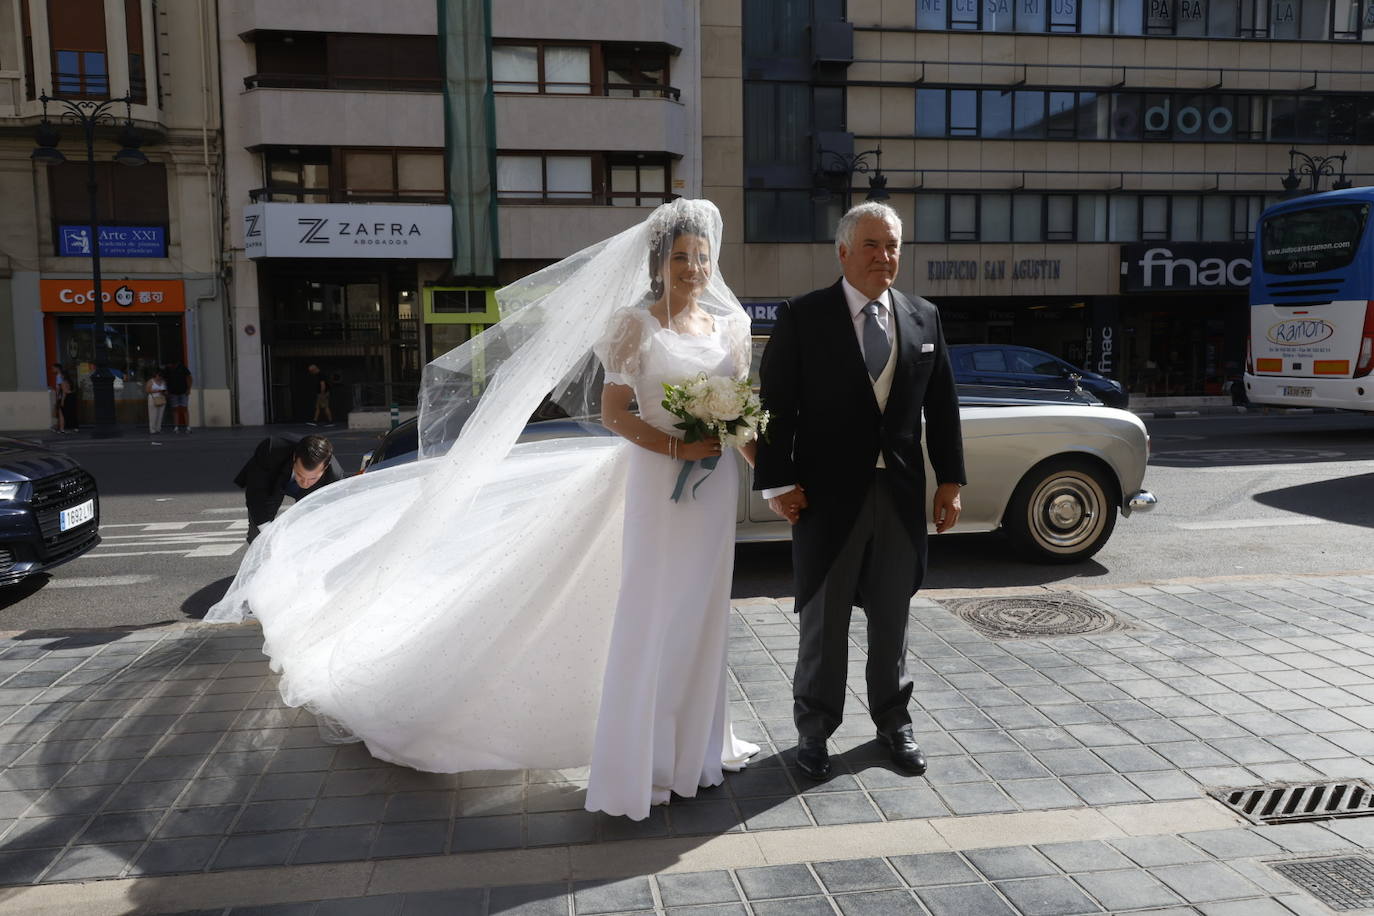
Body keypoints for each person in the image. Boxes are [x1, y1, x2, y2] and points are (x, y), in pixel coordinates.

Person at [206, 200, 758, 821]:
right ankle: (649, 760)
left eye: (703, 257)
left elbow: (740, 413)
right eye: (682, 257)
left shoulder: (728, 330)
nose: (694, 268)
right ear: (659, 263)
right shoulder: (635, 324)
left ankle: (698, 749)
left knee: (704, 614)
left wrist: (772, 475)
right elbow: (614, 414)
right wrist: (679, 445)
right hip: (657, 484)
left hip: (711, 495)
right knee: (653, 616)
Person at [753, 201, 966, 782]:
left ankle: (894, 722)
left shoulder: (924, 317)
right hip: (825, 499)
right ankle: (815, 731)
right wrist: (777, 481)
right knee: (824, 622)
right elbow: (775, 406)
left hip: (899, 496)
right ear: (843, 251)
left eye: (893, 245)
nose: (885, 256)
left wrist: (949, 479)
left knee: (892, 619)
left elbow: (942, 406)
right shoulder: (805, 316)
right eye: (872, 245)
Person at [233, 434, 344, 543]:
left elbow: (331, 519)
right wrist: (267, 534)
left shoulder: (334, 477)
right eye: (300, 475)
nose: (305, 483)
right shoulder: (271, 450)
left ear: (325, 468)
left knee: (312, 536)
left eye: (312, 478)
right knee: (257, 536)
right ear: (294, 457)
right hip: (272, 481)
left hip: (310, 494)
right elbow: (255, 496)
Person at [164, 359, 193, 433]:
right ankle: (176, 427)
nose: (169, 365)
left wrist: (188, 389)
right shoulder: (168, 369)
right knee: (175, 410)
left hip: (183, 392)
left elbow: (189, 377)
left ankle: (187, 427)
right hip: (173, 392)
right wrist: (167, 389)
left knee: (184, 409)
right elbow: (165, 380)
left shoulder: (182, 367)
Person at [145, 368, 168, 435]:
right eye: (158, 376)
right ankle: (152, 429)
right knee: (153, 415)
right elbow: (147, 390)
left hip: (161, 398)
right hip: (153, 398)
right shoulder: (151, 381)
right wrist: (157, 391)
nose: (159, 377)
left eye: (161, 376)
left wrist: (165, 392)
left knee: (160, 415)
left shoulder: (163, 382)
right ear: (155, 375)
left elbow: (166, 391)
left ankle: (158, 429)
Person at [51, 363, 71, 434]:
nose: (52, 370)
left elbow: (61, 388)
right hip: (64, 396)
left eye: (53, 368)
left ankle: (61, 428)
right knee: (61, 413)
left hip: (61, 396)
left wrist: (59, 398)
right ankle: (59, 427)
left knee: (60, 413)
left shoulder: (59, 376)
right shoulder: (64, 376)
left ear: (57, 368)